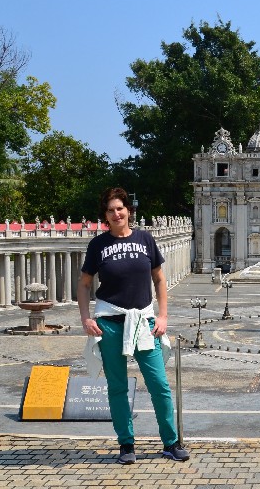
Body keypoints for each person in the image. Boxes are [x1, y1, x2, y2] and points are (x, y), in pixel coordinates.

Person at [77, 187, 190, 464]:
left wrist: (162, 316)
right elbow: (84, 284)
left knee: (159, 384)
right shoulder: (98, 245)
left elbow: (160, 280)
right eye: (110, 210)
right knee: (116, 387)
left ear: (128, 211)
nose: (116, 214)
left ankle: (170, 442)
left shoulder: (145, 239)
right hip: (110, 323)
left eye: (120, 208)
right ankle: (126, 444)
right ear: (105, 215)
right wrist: (85, 318)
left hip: (143, 321)